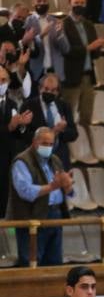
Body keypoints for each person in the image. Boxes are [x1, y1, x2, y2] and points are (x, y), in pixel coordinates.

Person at [9, 126, 73, 267]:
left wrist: (67, 187)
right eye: (45, 143)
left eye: (51, 144)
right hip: (32, 217)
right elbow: (25, 192)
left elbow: (63, 188)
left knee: (54, 263)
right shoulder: (22, 161)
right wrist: (52, 187)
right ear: (34, 142)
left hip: (55, 215)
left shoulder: (55, 160)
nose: (48, 147)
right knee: (31, 262)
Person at [62, 0, 104, 126]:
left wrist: (99, 47)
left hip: (88, 76)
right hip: (71, 76)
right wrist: (89, 47)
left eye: (82, 3)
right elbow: (67, 50)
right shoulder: (64, 24)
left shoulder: (89, 25)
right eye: (76, 2)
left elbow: (94, 53)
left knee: (87, 116)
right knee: (68, 116)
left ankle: (85, 144)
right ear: (69, 3)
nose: (79, 6)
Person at [17, 73, 77, 170]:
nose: (49, 92)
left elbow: (74, 134)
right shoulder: (28, 106)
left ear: (58, 92)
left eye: (53, 90)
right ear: (40, 88)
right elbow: (23, 135)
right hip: (35, 160)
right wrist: (54, 131)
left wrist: (62, 130)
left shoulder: (64, 106)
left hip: (59, 159)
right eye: (46, 89)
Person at [0, 63, 29, 217]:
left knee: (4, 191)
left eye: (4, 80)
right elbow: (9, 128)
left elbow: (17, 133)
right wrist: (9, 127)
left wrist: (21, 126)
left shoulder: (12, 104)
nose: (1, 84)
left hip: (7, 156)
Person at [25, 0, 69, 85]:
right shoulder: (28, 21)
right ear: (33, 3)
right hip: (37, 71)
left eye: (44, 1)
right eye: (39, 1)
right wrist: (40, 36)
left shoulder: (56, 21)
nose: (42, 3)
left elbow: (66, 49)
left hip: (55, 70)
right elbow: (28, 47)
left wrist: (60, 35)